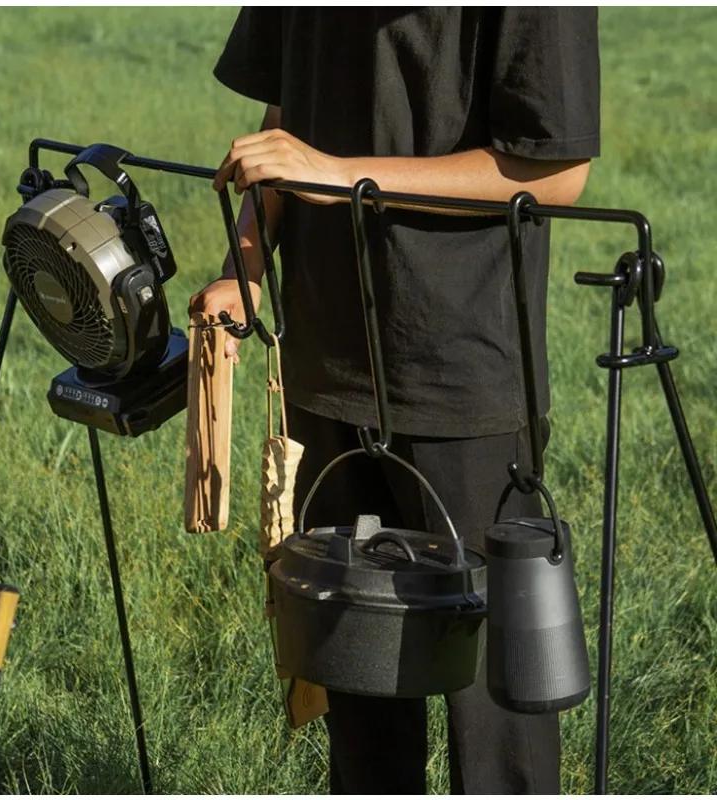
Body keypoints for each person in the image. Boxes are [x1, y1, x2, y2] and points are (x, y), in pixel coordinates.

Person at [190, 8, 600, 795]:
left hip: (463, 375)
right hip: (323, 363)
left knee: (498, 700)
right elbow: (285, 120)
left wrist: (343, 174)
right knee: (358, 679)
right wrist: (245, 266)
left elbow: (555, 169)